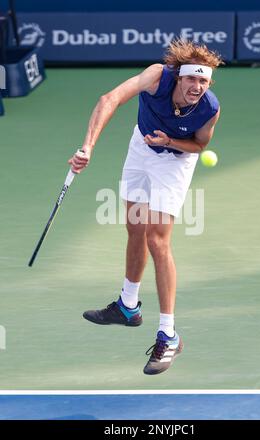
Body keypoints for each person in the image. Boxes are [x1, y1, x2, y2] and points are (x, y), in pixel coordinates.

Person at [68, 39, 223, 375]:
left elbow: (198, 145)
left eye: (204, 81)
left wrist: (169, 142)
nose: (197, 87)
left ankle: (169, 334)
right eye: (192, 79)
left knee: (157, 240)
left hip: (175, 161)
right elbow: (109, 99)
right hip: (141, 147)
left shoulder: (210, 108)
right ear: (179, 77)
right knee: (134, 228)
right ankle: (127, 306)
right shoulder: (156, 77)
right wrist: (87, 148)